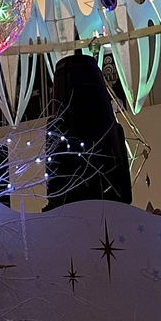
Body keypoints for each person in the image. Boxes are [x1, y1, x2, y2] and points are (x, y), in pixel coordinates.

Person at [43, 51, 132, 211]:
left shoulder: (57, 128)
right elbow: (124, 190)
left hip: (72, 211)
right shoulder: (112, 130)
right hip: (112, 208)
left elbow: (55, 190)